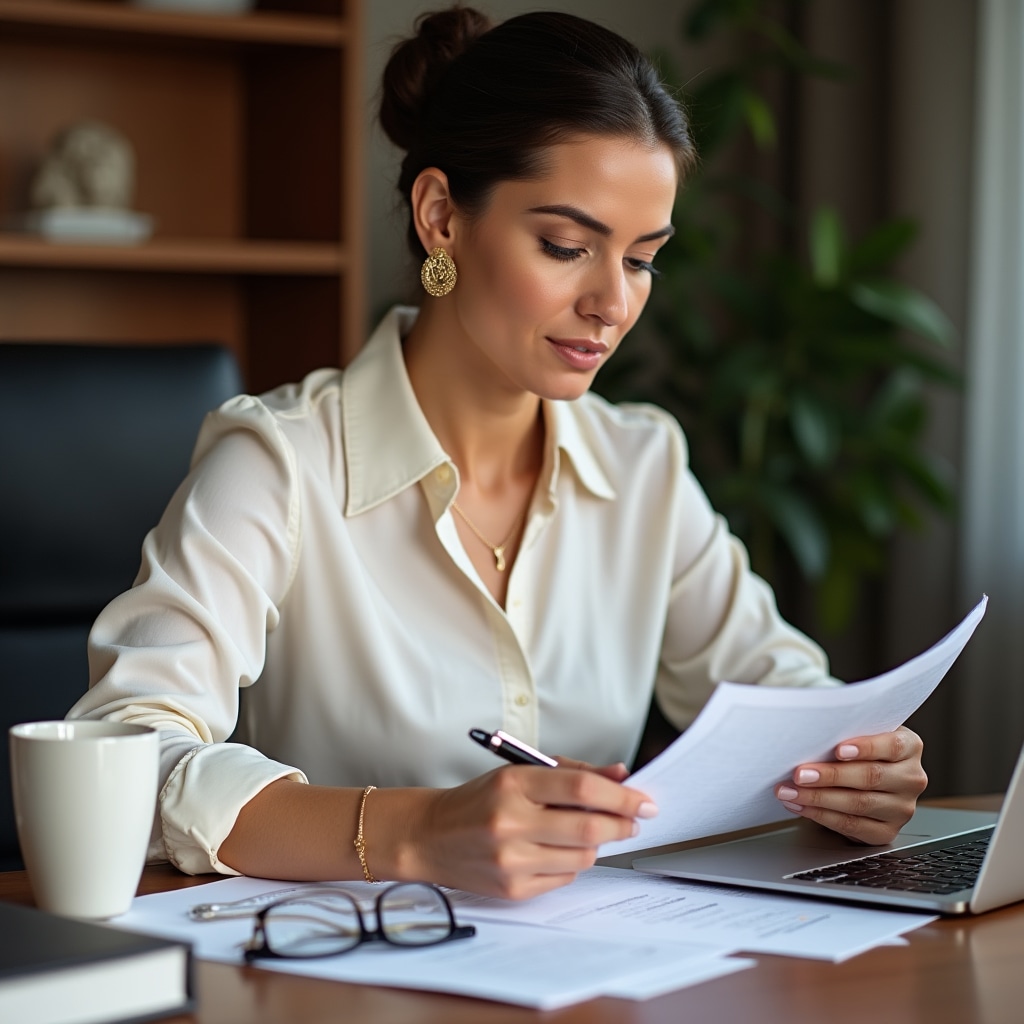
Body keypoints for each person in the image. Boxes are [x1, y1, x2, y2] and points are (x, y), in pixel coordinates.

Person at [69, 7, 927, 900]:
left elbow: (785, 693)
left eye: (641, 260)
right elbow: (130, 751)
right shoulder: (281, 463)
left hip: (596, 972)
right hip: (334, 972)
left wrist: (856, 766)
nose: (611, 303)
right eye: (567, 246)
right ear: (441, 216)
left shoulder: (642, 468)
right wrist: (415, 831)